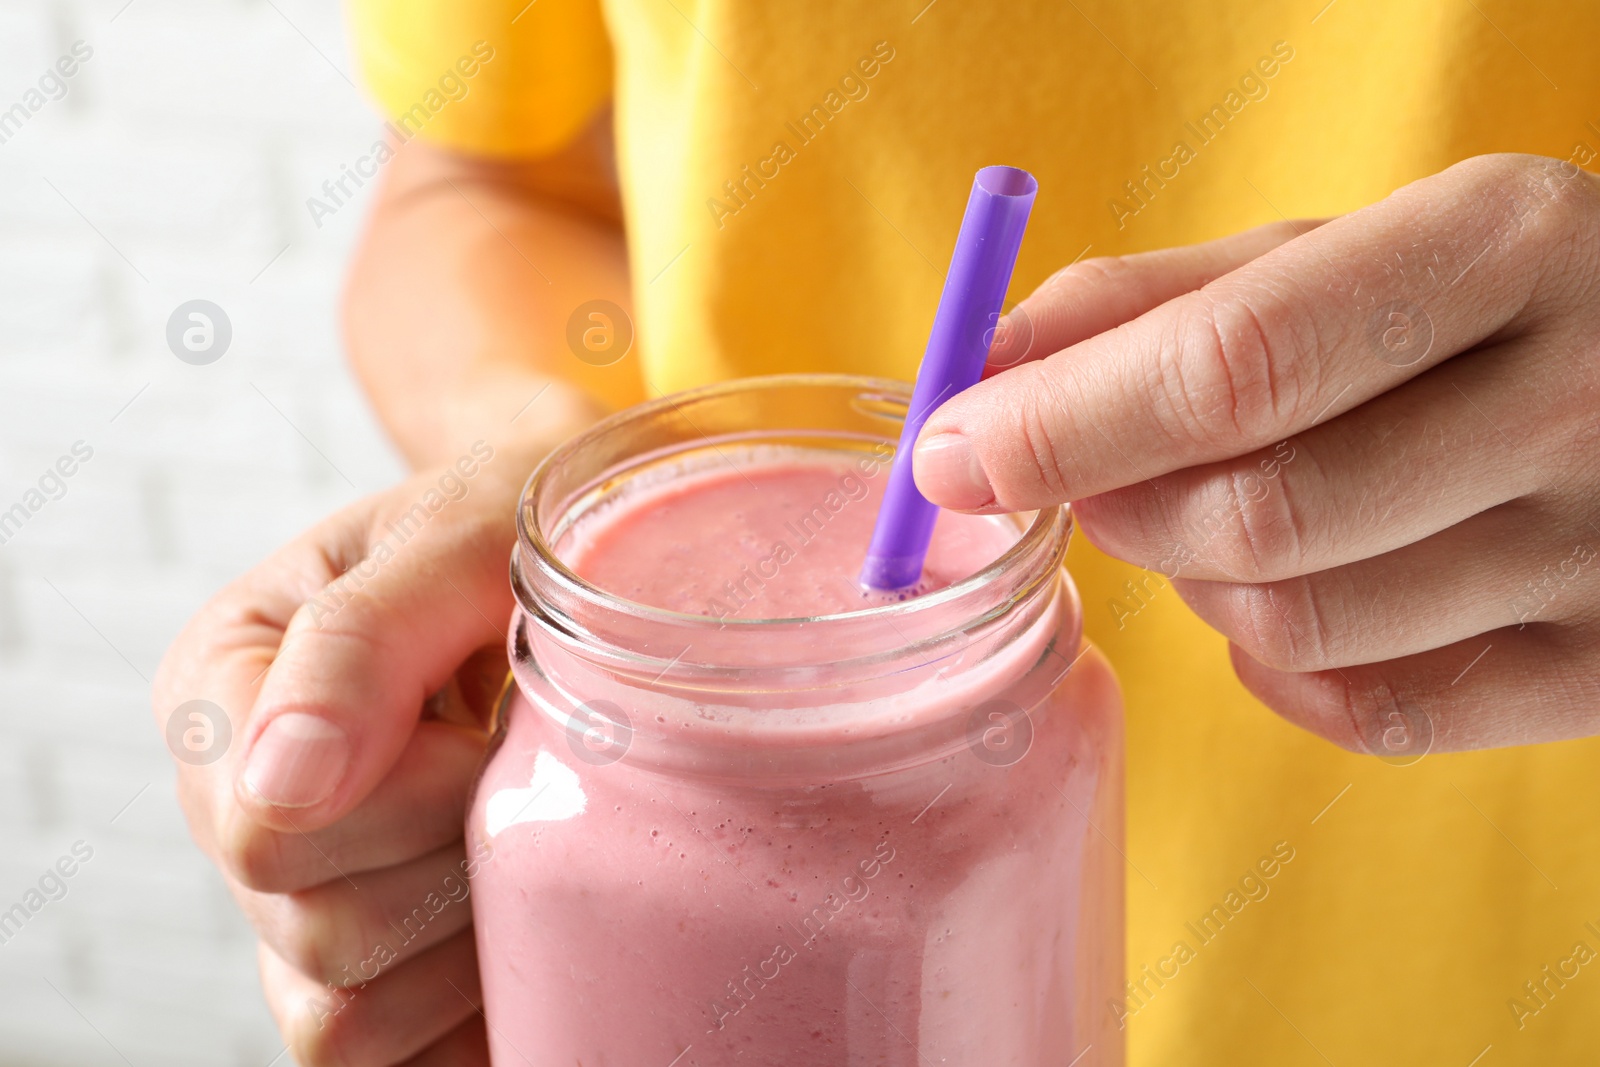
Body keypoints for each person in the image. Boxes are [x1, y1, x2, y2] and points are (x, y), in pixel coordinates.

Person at [152, 2, 1600, 1063]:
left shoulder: (1053, 710)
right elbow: (485, 176)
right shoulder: (562, 779)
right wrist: (533, 466)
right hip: (627, 693)